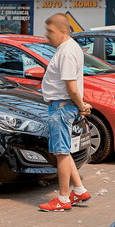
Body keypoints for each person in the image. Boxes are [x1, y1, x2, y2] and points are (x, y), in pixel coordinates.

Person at [39, 13, 92, 212]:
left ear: (63, 31)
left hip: (61, 107)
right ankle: (78, 190)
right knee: (64, 150)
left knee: (61, 153)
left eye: (50, 31)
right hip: (62, 105)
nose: (47, 35)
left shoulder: (67, 51)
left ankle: (62, 198)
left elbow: (71, 87)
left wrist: (80, 105)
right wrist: (80, 104)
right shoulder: (67, 48)